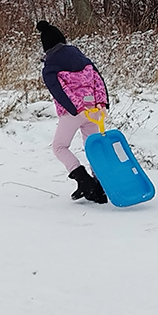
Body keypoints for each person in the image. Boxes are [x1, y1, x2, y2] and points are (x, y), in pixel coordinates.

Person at [37, 20, 108, 204]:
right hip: (93, 110)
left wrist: (75, 108)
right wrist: (101, 103)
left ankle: (84, 180)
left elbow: (58, 91)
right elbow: (98, 80)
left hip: (74, 112)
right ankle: (100, 185)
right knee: (92, 146)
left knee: (59, 147)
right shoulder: (83, 59)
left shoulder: (50, 66)